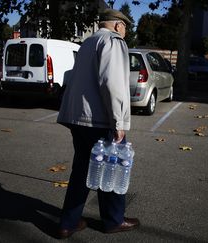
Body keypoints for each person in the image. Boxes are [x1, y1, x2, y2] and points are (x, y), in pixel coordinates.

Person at [56, 8, 139, 239]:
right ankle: (113, 220)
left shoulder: (88, 42)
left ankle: (68, 223)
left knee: (83, 170)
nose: (125, 33)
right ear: (118, 25)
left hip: (78, 117)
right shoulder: (113, 42)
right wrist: (118, 121)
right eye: (125, 28)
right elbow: (111, 84)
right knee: (113, 167)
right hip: (99, 119)